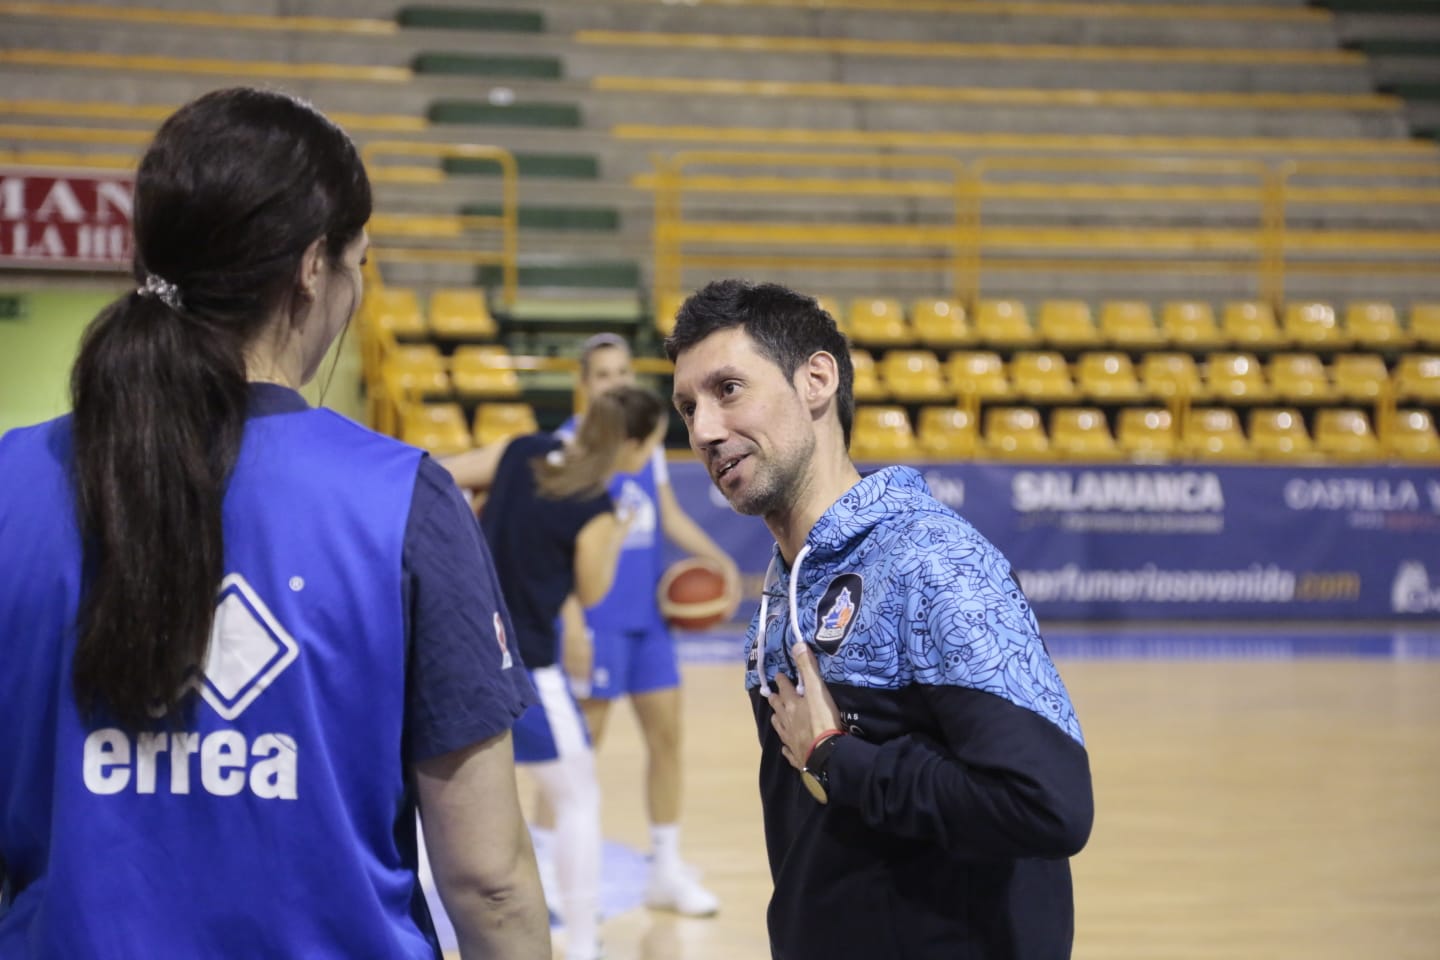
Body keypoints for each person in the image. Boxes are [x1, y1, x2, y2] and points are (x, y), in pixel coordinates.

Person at [0, 88, 548, 959]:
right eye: (361, 262)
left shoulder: (11, 483)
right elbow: (488, 879)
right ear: (311, 267)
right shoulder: (401, 500)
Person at [665, 279, 1094, 960]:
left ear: (816, 380)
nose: (705, 430)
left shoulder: (935, 560)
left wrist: (839, 759)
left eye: (728, 390)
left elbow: (1046, 806)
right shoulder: (784, 584)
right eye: (688, 407)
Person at [548, 334, 738, 917]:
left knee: (667, 739)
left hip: (647, 620)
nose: (616, 382)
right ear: (585, 384)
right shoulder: (565, 449)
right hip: (595, 620)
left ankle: (666, 868)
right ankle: (548, 871)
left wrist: (719, 557)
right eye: (603, 375)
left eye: (623, 372)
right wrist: (573, 620)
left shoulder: (646, 446)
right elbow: (552, 547)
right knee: (575, 759)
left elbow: (668, 512)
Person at [478, 384, 669, 960]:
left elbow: (437, 470)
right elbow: (591, 591)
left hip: (461, 651)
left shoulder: (522, 450)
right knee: (580, 796)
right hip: (526, 667)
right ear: (633, 445)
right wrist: (613, 531)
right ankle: (583, 945)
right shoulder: (595, 505)